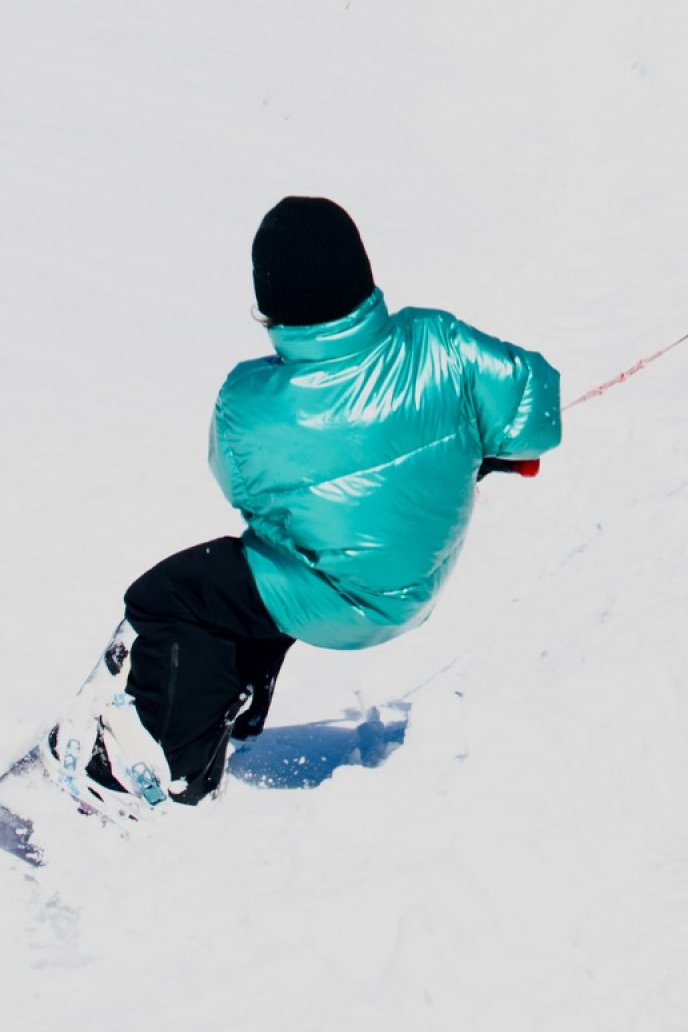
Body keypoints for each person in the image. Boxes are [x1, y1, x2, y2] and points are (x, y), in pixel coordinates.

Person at [43, 196, 561, 818]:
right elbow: (538, 416)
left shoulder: (250, 397)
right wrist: (477, 445)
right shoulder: (440, 342)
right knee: (253, 577)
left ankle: (160, 767)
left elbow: (242, 491)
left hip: (336, 601)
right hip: (420, 581)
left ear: (270, 306)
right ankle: (229, 705)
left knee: (176, 594)